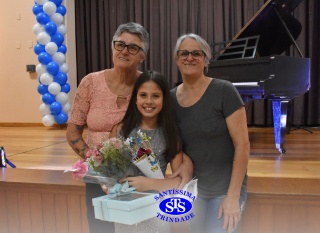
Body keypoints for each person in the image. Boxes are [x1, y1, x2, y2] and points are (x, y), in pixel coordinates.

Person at [66, 22, 192, 233]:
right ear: (112, 46)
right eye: (120, 44)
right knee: (101, 229)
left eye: (133, 47)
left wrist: (185, 168)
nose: (124, 51)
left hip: (142, 185)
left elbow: (169, 134)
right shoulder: (90, 83)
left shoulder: (147, 86)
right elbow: (72, 134)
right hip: (100, 180)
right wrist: (101, 166)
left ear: (142, 55)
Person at [170, 33, 250, 233]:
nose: (190, 57)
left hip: (224, 190)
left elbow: (243, 145)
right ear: (177, 59)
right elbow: (173, 142)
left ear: (206, 60)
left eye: (197, 53)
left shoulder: (224, 90)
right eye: (184, 53)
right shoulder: (170, 98)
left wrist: (232, 197)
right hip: (194, 189)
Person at [109, 70, 189, 233]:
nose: (149, 101)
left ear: (164, 100)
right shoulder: (120, 130)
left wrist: (150, 184)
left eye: (155, 96)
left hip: (155, 211)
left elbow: (179, 183)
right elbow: (109, 172)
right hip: (125, 210)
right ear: (135, 99)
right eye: (143, 95)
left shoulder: (171, 134)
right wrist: (109, 184)